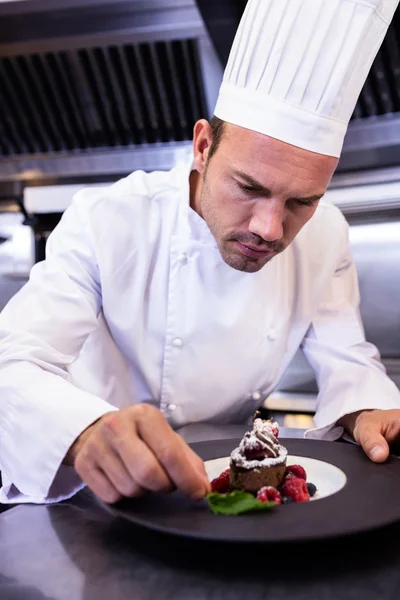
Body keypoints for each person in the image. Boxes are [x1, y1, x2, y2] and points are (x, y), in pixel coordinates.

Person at [0, 0, 399, 507]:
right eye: (248, 187)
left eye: (302, 201)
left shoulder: (327, 235)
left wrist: (369, 412)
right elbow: (12, 362)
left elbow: (348, 361)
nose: (270, 229)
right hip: (95, 492)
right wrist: (82, 431)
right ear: (203, 146)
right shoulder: (107, 219)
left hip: (227, 493)